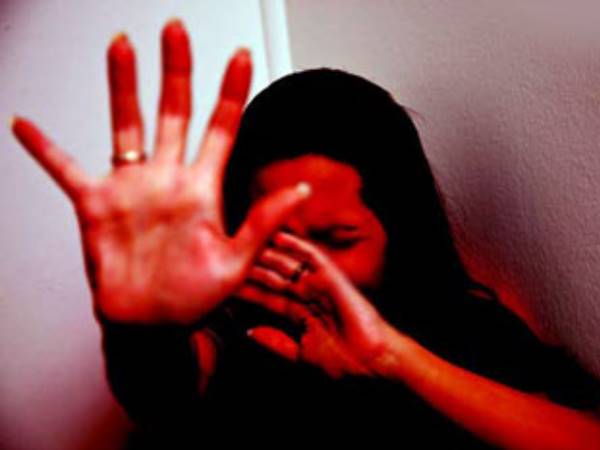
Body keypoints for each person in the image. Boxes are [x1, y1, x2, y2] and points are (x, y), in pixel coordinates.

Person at [11, 19, 600, 449]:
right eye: (277, 239)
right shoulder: (232, 337)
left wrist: (395, 359)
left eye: (338, 239)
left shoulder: (466, 331)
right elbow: (160, 388)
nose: (306, 270)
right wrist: (140, 328)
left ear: (399, 228)